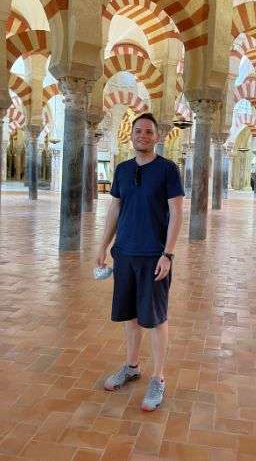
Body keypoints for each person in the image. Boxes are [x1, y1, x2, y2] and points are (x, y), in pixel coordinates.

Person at [95, 113, 184, 412]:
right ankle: (132, 367)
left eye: (148, 132)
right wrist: (103, 246)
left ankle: (158, 377)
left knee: (156, 318)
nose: (142, 135)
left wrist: (168, 254)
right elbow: (114, 210)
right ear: (130, 135)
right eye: (138, 131)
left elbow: (176, 213)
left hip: (153, 256)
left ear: (157, 137)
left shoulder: (168, 169)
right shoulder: (122, 170)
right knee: (131, 316)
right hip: (125, 254)